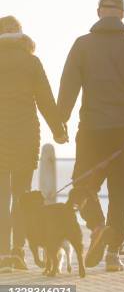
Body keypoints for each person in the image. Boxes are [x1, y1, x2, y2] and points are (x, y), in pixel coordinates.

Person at [57, 0, 124, 272]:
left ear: (99, 12)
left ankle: (97, 226)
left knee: (83, 185)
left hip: (91, 129)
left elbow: (69, 84)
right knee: (122, 194)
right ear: (122, 14)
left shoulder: (82, 45)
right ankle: (113, 255)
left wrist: (60, 122)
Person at [0, 16, 67, 273]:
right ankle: (18, 252)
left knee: (1, 197)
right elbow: (46, 100)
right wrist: (59, 131)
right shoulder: (31, 62)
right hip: (25, 136)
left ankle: (2, 253)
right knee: (22, 196)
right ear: (20, 34)